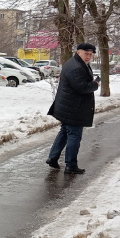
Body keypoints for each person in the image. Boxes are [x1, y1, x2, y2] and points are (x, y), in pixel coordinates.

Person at [45, 43, 100, 174]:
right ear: (79, 52)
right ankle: (71, 165)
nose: (88, 57)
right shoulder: (76, 67)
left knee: (65, 132)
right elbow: (82, 87)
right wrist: (95, 84)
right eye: (86, 54)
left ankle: (53, 158)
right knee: (74, 136)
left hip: (68, 106)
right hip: (74, 108)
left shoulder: (74, 63)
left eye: (91, 55)